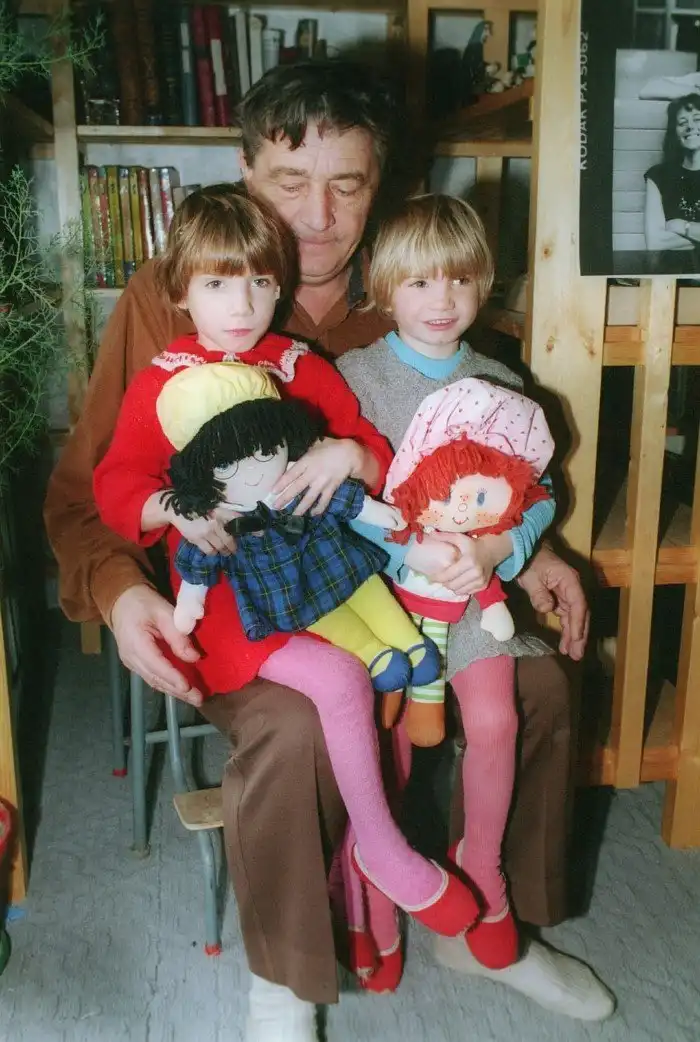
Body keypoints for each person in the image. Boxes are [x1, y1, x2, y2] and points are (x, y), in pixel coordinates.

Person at [44, 60, 608, 1041]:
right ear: (243, 171)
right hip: (233, 604)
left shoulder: (409, 296)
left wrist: (534, 547)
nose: (315, 216)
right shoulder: (167, 299)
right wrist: (120, 594)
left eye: (346, 185)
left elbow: (471, 461)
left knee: (538, 682)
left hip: (392, 584)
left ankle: (492, 920)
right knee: (300, 720)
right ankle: (288, 977)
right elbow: (84, 490)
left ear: (380, 184)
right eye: (288, 182)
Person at [92, 187, 479, 941]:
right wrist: (173, 508)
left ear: (281, 286)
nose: (242, 306)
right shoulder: (163, 380)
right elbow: (115, 484)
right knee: (341, 680)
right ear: (181, 293)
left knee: (379, 672)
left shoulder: (300, 366)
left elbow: (375, 455)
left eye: (261, 283)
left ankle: (363, 873)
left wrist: (349, 454)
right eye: (216, 284)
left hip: (317, 575)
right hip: (229, 601)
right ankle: (382, 852)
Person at [335, 194, 555, 982]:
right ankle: (376, 901)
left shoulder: (498, 379)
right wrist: (409, 556)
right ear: (383, 287)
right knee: (384, 752)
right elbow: (339, 501)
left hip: (472, 597)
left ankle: (484, 871)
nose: (443, 300)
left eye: (460, 279)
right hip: (382, 600)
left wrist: (496, 547)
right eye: (420, 281)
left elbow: (541, 494)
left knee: (496, 719)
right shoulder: (354, 380)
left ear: (484, 284)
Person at [644, 93, 700, 252]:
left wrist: (684, 227)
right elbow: (654, 242)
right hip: (672, 265)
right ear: (674, 132)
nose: (690, 127)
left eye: (697, 119)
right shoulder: (658, 176)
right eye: (682, 122)